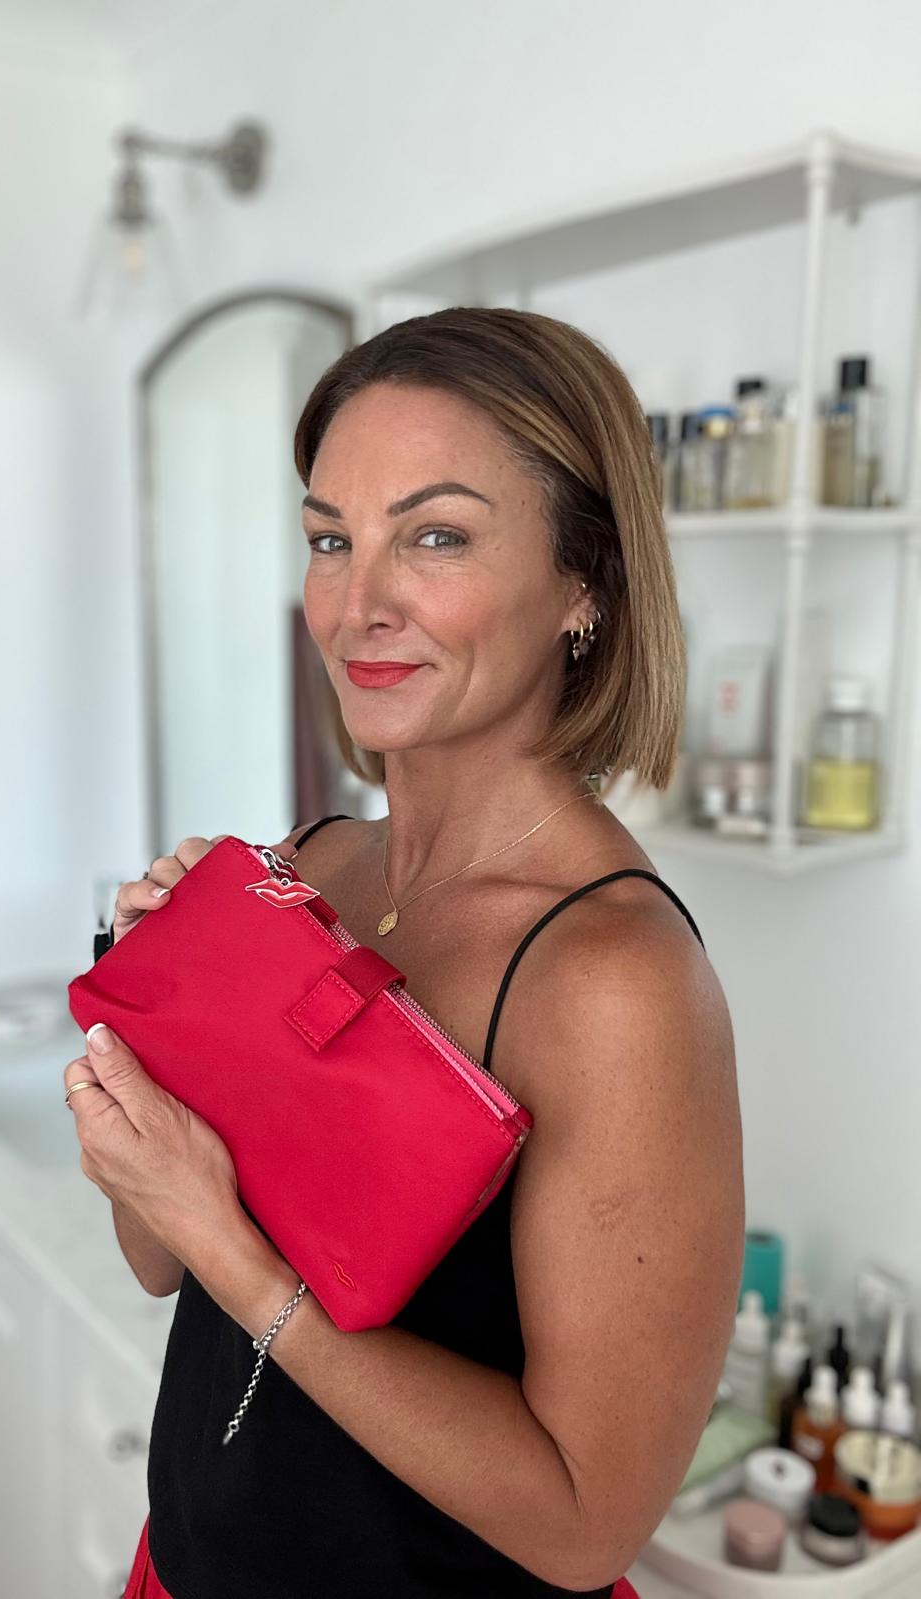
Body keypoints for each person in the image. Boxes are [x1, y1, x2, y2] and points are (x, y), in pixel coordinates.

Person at [64, 307, 745, 1597]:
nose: (355, 603)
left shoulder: (612, 980)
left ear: (584, 582)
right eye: (331, 538)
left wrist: (233, 1248)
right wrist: (150, 1030)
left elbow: (586, 1524)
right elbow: (160, 1260)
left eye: (434, 536)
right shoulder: (309, 866)